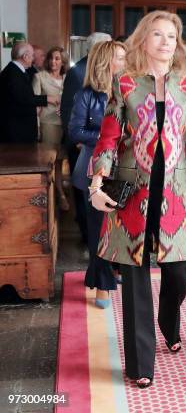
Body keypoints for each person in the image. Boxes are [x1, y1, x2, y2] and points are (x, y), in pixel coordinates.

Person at [89, 11, 186, 388]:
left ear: (177, 44)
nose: (164, 42)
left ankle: (169, 319)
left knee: (179, 269)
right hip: (132, 190)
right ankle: (141, 365)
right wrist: (96, 184)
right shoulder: (124, 83)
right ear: (144, 40)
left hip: (177, 191)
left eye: (171, 37)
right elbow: (109, 137)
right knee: (136, 275)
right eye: (156, 34)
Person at [68, 40, 126, 309]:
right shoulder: (87, 95)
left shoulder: (129, 91)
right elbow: (75, 132)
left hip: (125, 171)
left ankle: (113, 270)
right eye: (119, 58)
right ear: (106, 62)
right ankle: (102, 284)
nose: (125, 63)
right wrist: (107, 138)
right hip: (94, 171)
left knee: (121, 228)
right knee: (99, 231)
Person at [61, 32, 113, 245]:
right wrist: (80, 140)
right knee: (86, 198)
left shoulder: (111, 74)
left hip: (105, 152)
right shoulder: (78, 72)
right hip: (84, 146)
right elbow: (68, 110)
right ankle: (86, 236)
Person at [32, 46, 70, 210]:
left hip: (66, 125)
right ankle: (56, 195)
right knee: (50, 162)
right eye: (51, 58)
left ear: (63, 62)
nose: (53, 61)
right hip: (49, 124)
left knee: (61, 162)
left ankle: (58, 191)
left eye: (57, 59)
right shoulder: (39, 76)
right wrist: (38, 127)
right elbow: (33, 103)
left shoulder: (69, 78)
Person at [0, 42, 59, 143]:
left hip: (18, 129)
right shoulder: (13, 73)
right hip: (16, 132)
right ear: (25, 56)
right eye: (32, 56)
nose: (33, 59)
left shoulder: (16, 70)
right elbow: (24, 98)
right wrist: (48, 98)